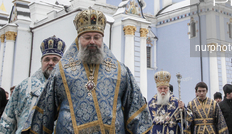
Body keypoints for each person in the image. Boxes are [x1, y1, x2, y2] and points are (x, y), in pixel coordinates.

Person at [22, 8, 152, 134]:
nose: (92, 41)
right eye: (87, 37)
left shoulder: (120, 71)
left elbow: (136, 111)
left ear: (102, 40)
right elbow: (44, 112)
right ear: (79, 40)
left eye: (97, 37)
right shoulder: (61, 71)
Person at [0, 36, 65, 134]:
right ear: (41, 62)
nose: (51, 63)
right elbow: (8, 120)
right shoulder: (24, 86)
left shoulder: (67, 87)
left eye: (55, 59)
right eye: (47, 59)